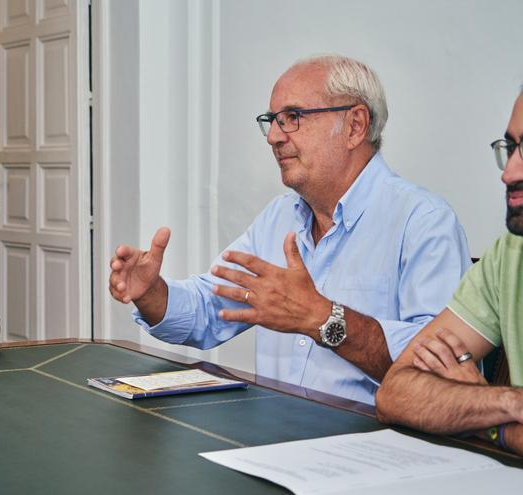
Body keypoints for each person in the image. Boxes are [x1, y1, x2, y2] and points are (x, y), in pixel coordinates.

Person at [109, 55, 471, 405]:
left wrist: (323, 318)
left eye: (293, 117)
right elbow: (210, 311)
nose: (273, 137)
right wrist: (153, 293)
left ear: (355, 126)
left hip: (374, 452)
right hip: (271, 441)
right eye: (272, 120)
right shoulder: (279, 217)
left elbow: (444, 372)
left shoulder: (423, 221)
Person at [375, 87, 523, 455]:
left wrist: (477, 412)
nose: (509, 174)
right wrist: (502, 403)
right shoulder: (511, 251)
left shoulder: (423, 216)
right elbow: (395, 393)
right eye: (511, 149)